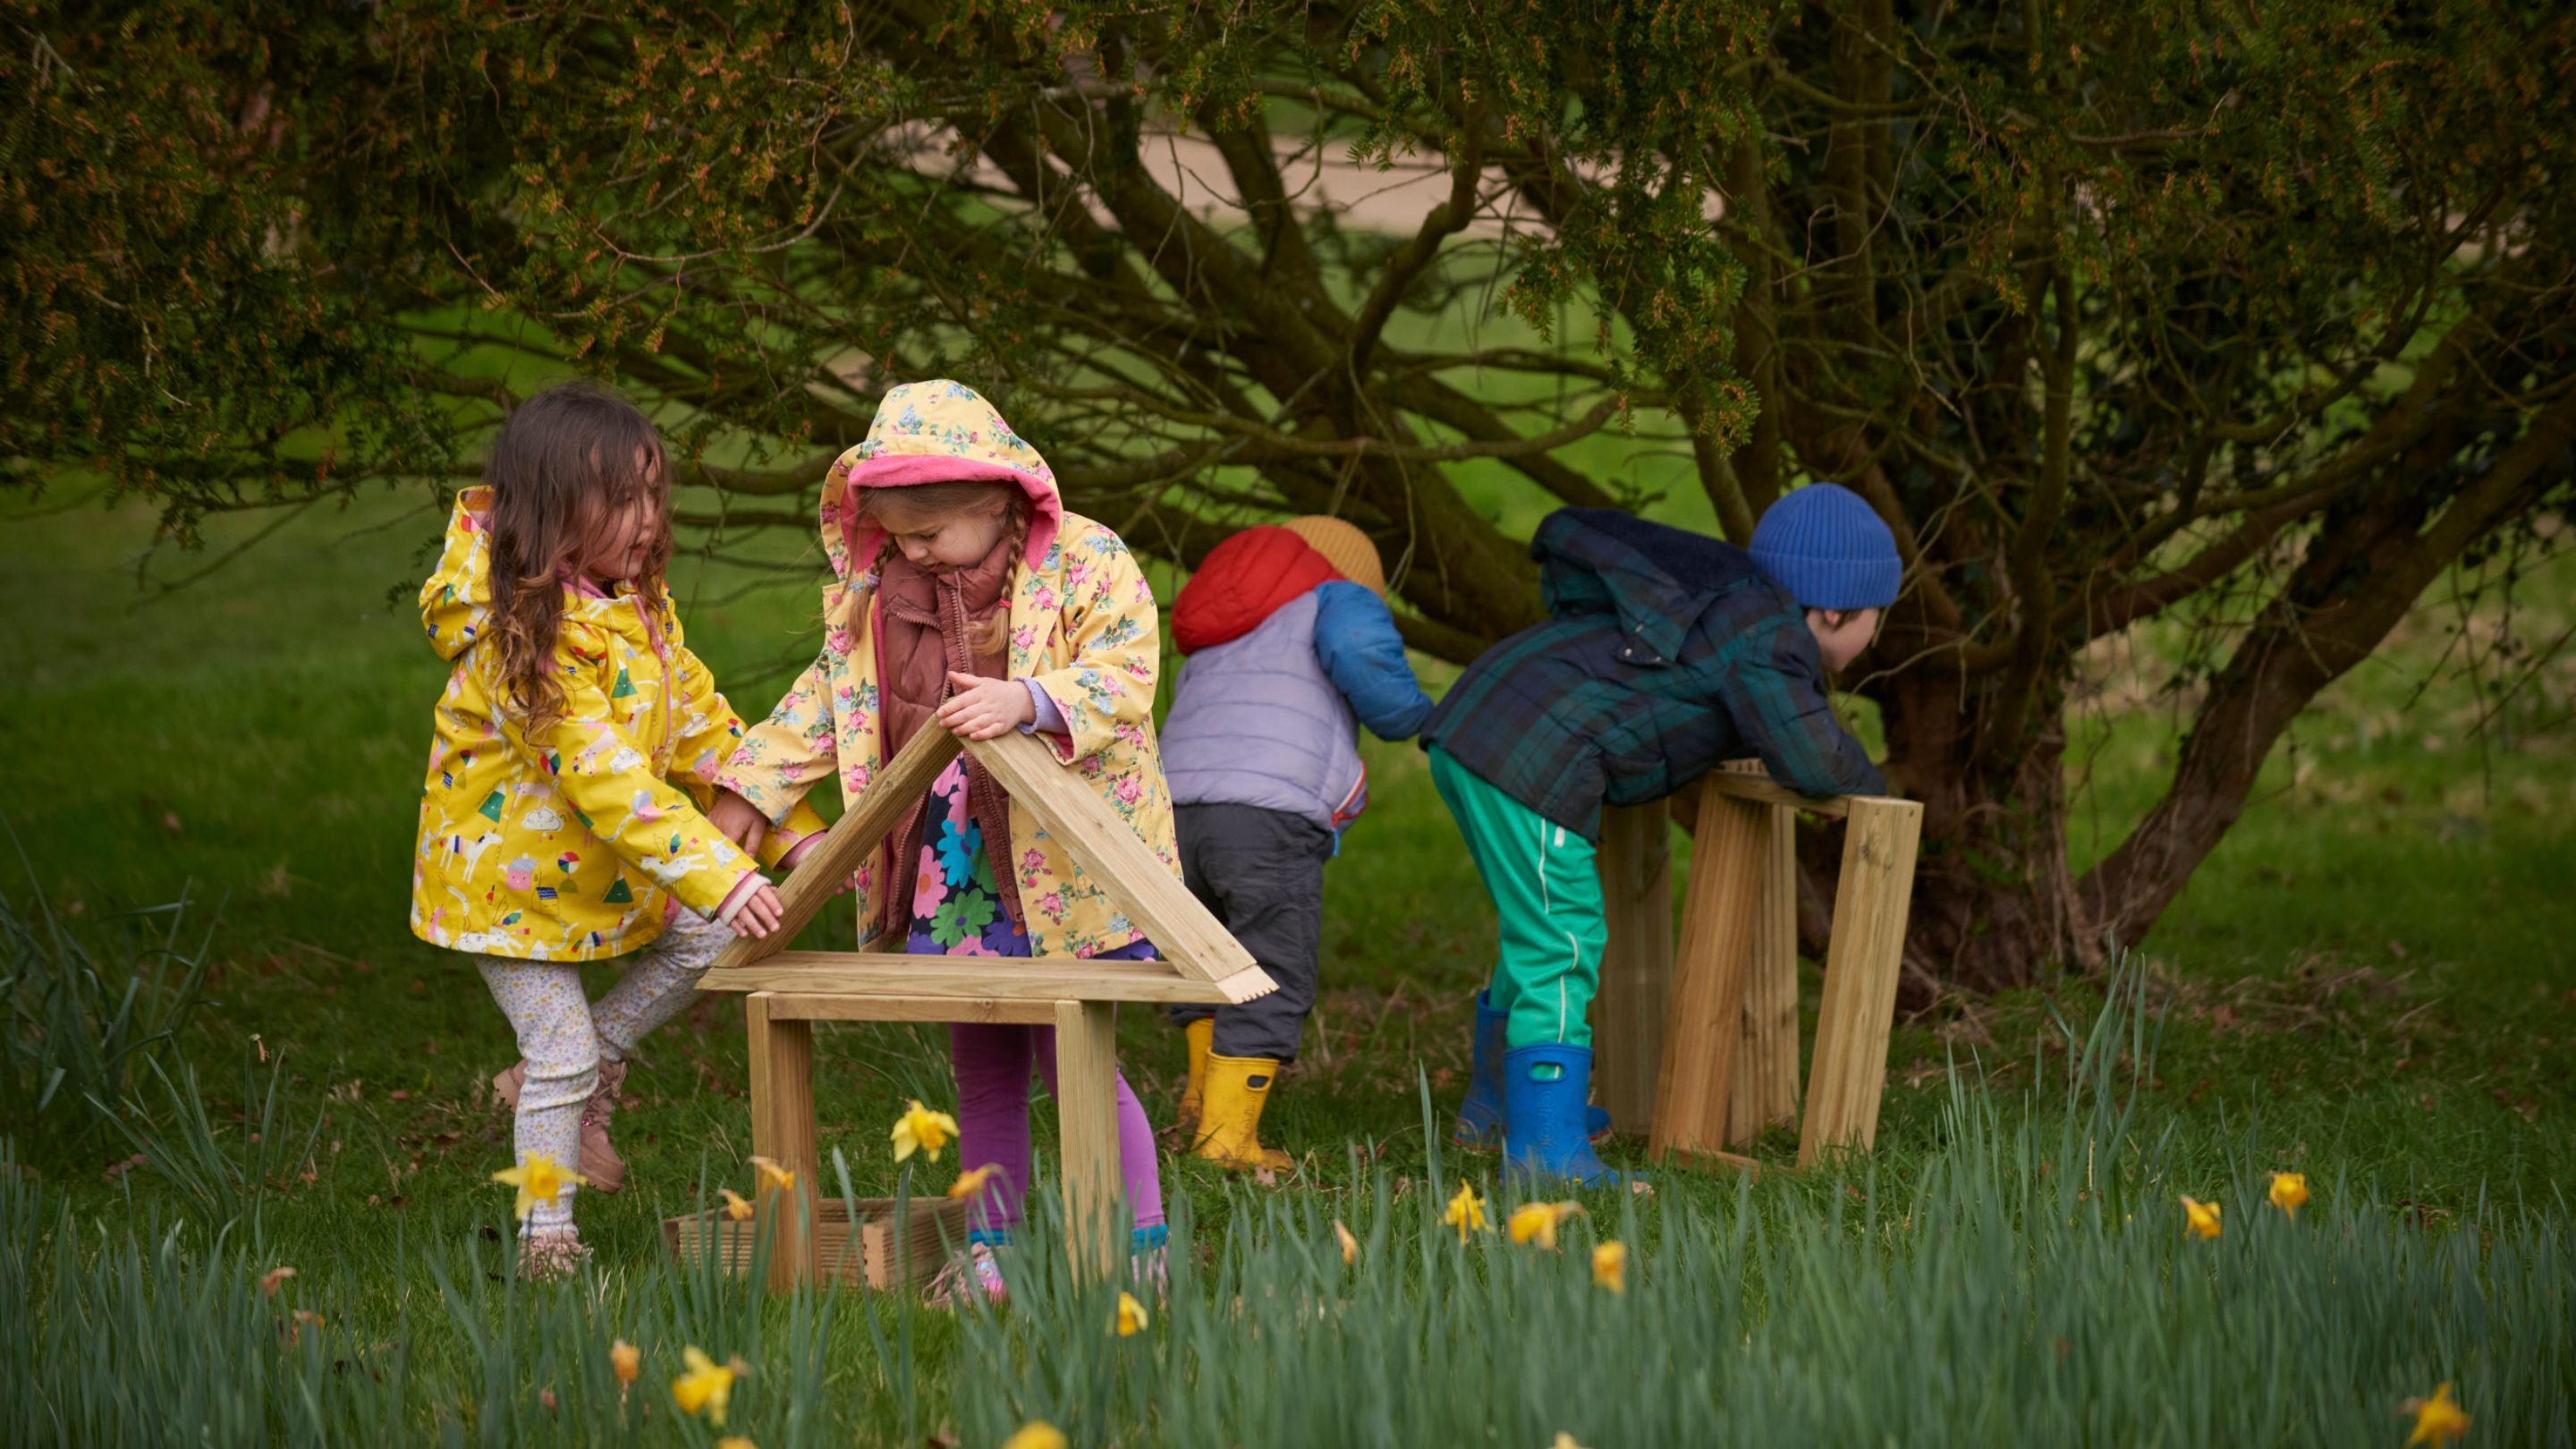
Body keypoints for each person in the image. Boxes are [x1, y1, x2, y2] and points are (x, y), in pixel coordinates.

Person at [710, 379, 1178, 1302]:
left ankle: (1138, 1249)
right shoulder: (890, 590)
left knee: (1073, 1051)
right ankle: (993, 1255)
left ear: (999, 504)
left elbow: (1127, 670)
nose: (910, 552)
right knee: (982, 1051)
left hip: (1067, 855)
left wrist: (1033, 700)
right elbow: (827, 695)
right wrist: (753, 785)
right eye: (896, 536)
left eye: (928, 535)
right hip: (960, 859)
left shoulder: (1086, 559)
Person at [411, 381, 823, 1276]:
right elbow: (605, 778)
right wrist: (724, 870)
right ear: (554, 508)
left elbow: (703, 726)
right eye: (620, 500)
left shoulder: (634, 609)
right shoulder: (521, 638)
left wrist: (796, 835)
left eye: (654, 497)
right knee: (557, 1049)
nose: (646, 521)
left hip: (587, 875)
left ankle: (588, 1072)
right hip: (505, 885)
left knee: (715, 939)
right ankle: (544, 1239)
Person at [1419, 485, 1900, 1186]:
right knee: (1561, 938)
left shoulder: (1725, 610)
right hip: (1529, 760)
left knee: (1535, 927)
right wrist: (1874, 785)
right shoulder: (1769, 638)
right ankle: (1543, 1151)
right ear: (1835, 609)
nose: (1874, 636)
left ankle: (1498, 1110)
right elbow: (1812, 759)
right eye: (1876, 618)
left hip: (1480, 727)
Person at [1157, 517, 1435, 1170]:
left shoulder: (1225, 626)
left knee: (1206, 954)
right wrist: (1425, 717)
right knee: (1268, 966)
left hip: (1174, 812)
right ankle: (1227, 1140)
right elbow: (1372, 674)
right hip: (1264, 815)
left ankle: (1199, 1102)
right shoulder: (1338, 599)